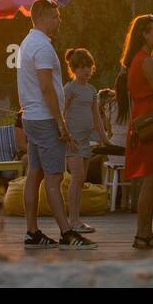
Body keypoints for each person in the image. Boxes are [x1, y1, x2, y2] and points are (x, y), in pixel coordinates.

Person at [17, 0, 96, 249]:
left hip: (31, 116)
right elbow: (45, 87)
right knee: (54, 177)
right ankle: (66, 232)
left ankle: (32, 232)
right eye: (55, 16)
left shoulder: (27, 43)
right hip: (44, 117)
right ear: (42, 17)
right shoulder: (41, 47)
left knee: (35, 174)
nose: (59, 20)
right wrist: (60, 122)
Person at [122, 14, 153, 249]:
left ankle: (145, 233)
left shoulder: (137, 60)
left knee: (149, 180)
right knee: (150, 181)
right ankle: (143, 234)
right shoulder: (147, 62)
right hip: (151, 123)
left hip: (142, 121)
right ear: (144, 34)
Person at [62, 48, 108, 235]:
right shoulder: (69, 89)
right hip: (72, 140)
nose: (86, 71)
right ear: (73, 69)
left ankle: (77, 218)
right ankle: (72, 220)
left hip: (86, 141)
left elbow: (96, 116)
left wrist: (104, 138)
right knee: (77, 178)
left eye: (88, 66)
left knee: (81, 181)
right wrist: (65, 135)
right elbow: (62, 112)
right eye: (81, 67)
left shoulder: (91, 90)